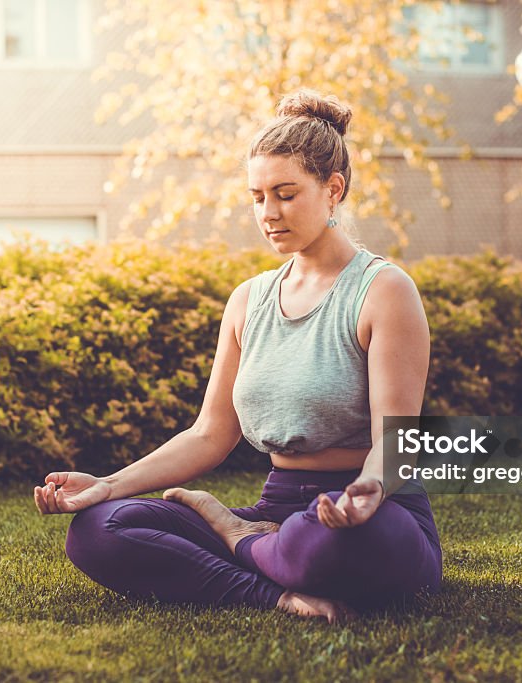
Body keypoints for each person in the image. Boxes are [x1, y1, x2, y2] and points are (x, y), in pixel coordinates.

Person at [33, 89, 441, 623]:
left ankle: (234, 538)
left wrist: (367, 492)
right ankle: (272, 591)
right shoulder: (249, 300)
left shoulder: (383, 290)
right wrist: (107, 485)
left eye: (286, 193)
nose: (268, 213)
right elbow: (209, 434)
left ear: (333, 189)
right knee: (97, 531)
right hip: (276, 511)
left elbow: (396, 442)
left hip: (370, 510)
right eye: (257, 196)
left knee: (328, 542)